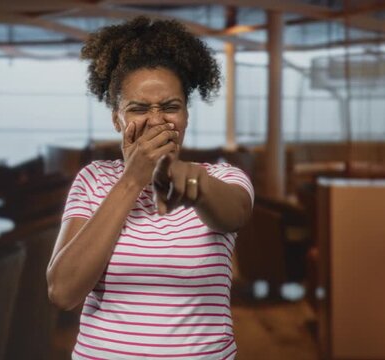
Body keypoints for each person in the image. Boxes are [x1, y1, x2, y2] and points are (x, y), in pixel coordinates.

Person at [46, 16, 254, 359]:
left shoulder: (223, 177)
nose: (157, 120)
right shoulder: (94, 179)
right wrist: (132, 180)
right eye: (139, 109)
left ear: (186, 114)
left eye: (170, 107)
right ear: (117, 119)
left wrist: (178, 176)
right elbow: (63, 292)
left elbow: (234, 215)